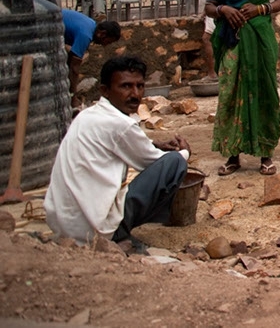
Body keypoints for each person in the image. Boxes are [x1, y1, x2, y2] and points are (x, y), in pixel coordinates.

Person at [44, 55, 190, 248]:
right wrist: (185, 153)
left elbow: (124, 142)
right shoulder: (120, 125)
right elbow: (156, 162)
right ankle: (118, 233)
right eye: (126, 86)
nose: (135, 94)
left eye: (140, 86)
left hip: (65, 226)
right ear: (105, 90)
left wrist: (155, 143)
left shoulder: (87, 115)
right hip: (93, 230)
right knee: (175, 163)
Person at [204, 0, 280, 176]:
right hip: (233, 40)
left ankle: (266, 155)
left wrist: (261, 9)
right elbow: (209, 6)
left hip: (261, 38)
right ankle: (233, 155)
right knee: (231, 92)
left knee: (264, 90)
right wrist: (224, 10)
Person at [63, 10, 121, 109]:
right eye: (107, 42)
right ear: (102, 34)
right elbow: (74, 68)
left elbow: (72, 57)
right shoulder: (85, 35)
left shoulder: (91, 24)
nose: (105, 45)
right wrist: (73, 97)